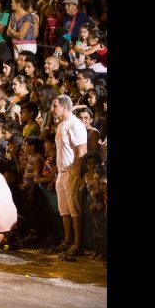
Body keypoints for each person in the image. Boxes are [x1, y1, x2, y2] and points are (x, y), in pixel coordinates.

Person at [51, 95, 88, 259]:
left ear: (64, 107)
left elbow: (82, 151)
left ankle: (78, 244)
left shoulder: (75, 124)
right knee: (64, 209)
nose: (53, 108)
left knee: (74, 209)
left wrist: (78, 174)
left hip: (72, 171)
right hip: (62, 171)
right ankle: (67, 241)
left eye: (55, 105)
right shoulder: (61, 125)